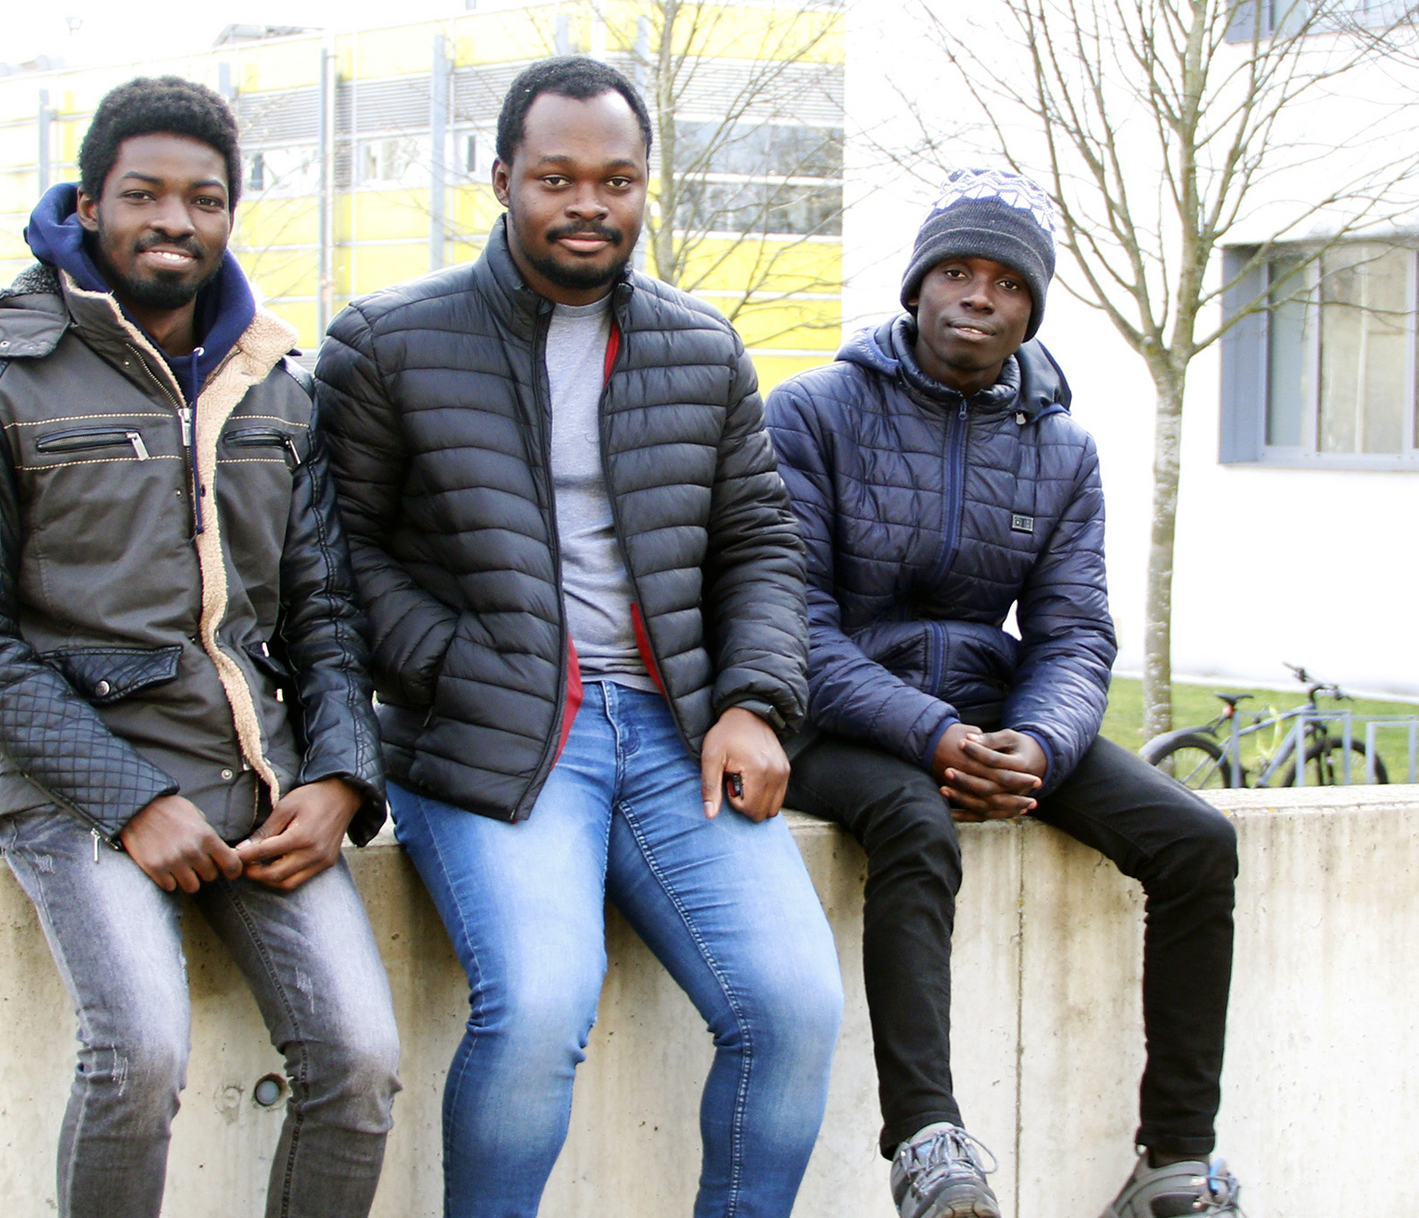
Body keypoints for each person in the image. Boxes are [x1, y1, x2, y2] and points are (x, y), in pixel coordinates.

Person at [314, 54, 844, 1218]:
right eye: (557, 178)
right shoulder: (388, 343)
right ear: (501, 178)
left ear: (648, 185)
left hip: (672, 729)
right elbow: (340, 562)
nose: (589, 205)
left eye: (617, 180)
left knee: (795, 1008)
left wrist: (755, 699)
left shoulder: (701, 349)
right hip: (492, 733)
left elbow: (758, 545)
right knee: (545, 1003)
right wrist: (461, 670)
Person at [0, 76, 400, 1218]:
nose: (174, 219)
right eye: (144, 193)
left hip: (257, 782)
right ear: (90, 204)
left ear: (231, 214)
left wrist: (339, 776)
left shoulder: (277, 387)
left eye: (205, 198)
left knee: (363, 1060)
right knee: (136, 1054)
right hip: (74, 788)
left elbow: (323, 615)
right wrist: (128, 799)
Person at [765, 169, 1243, 1218]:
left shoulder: (1062, 452)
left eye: (1005, 283)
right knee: (909, 821)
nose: (978, 296)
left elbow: (1073, 633)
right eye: (955, 271)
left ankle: (1172, 1160)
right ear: (916, 287)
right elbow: (790, 625)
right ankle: (928, 1145)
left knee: (1196, 842)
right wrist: (931, 736)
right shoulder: (812, 413)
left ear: (1030, 308)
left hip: (990, 724)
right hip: (834, 718)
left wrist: (1039, 741)